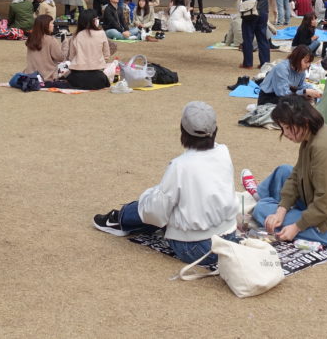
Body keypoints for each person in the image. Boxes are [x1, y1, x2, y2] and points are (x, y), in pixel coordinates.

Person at [91, 101, 237, 267]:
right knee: (165, 198)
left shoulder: (180, 165)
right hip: (229, 238)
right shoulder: (223, 151)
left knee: (153, 201)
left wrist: (147, 197)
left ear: (183, 131)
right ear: (215, 130)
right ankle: (125, 217)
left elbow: (157, 210)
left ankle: (120, 218)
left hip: (196, 248)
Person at [249, 96, 327, 245]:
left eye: (286, 127)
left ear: (302, 122)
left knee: (261, 210)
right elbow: (296, 174)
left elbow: (324, 204)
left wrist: (297, 227)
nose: (285, 133)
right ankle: (264, 196)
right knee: (284, 170)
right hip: (326, 205)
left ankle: (266, 201)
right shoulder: (312, 134)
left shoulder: (323, 149)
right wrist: (281, 210)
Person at [234, 0, 272, 69]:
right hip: (263, 10)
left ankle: (248, 63)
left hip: (250, 11)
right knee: (262, 38)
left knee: (248, 37)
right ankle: (265, 63)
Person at [66, 10, 112, 90]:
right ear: (94, 21)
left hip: (77, 78)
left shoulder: (75, 36)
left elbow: (71, 57)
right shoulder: (101, 33)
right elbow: (106, 55)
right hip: (98, 78)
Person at [23, 15, 65, 81]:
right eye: (51, 23)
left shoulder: (31, 38)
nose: (53, 25)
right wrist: (65, 45)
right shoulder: (51, 40)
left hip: (31, 74)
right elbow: (60, 58)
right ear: (45, 25)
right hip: (47, 75)